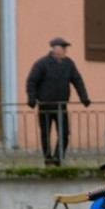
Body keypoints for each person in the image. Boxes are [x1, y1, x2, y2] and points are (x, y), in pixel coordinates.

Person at [25, 36, 90, 167]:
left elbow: (77, 81)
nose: (65, 50)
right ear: (55, 49)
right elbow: (31, 82)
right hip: (45, 105)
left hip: (61, 105)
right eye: (63, 47)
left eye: (65, 47)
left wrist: (84, 98)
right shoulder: (42, 63)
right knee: (45, 133)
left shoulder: (68, 64)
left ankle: (58, 158)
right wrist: (32, 99)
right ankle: (48, 158)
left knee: (64, 133)